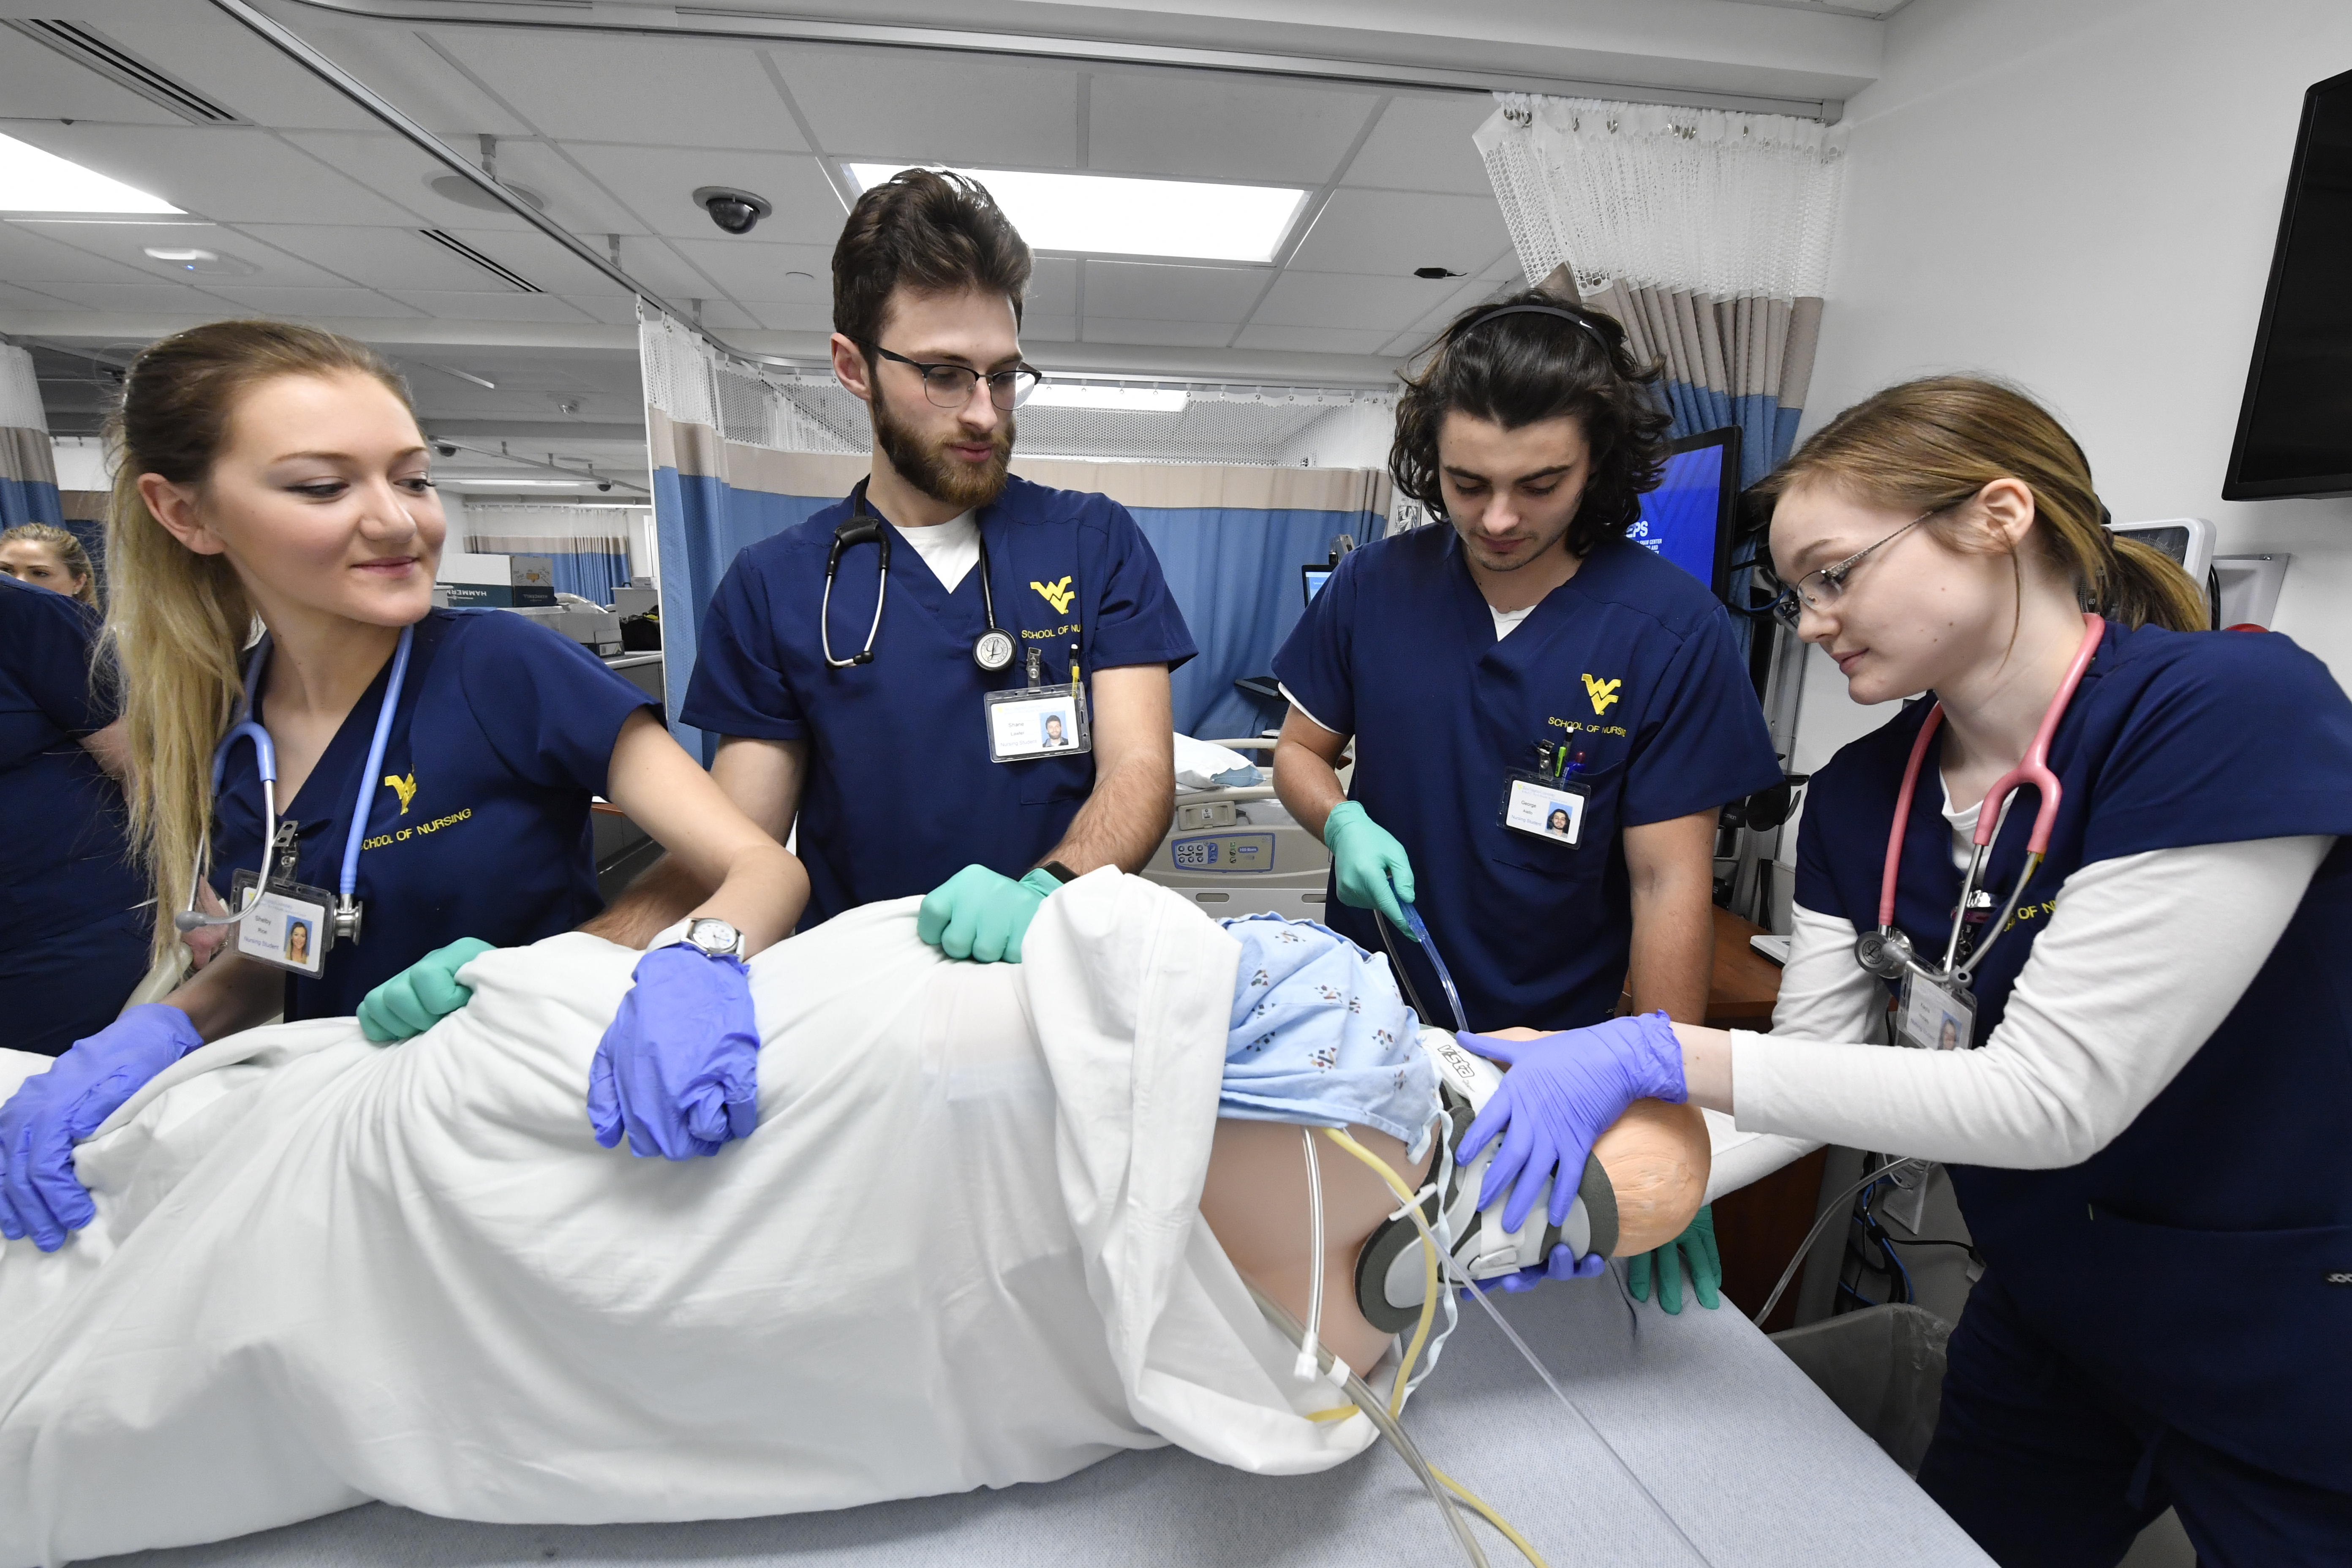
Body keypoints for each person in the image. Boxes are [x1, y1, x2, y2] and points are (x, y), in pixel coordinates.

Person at [0, 878, 1709, 1563]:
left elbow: (1660, 1162)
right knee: (364, 1145)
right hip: (681, 1051)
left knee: (351, 1242)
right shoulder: (1335, 1075)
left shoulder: (1356, 1172)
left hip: (769, 1122)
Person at [1449, 377, 2352, 1565]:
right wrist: (1612, 1194)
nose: (1813, 621)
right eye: (1792, 594)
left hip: (2288, 1323)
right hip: (2048, 1312)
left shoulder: (2227, 712)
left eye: (1836, 574)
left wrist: (1657, 1053)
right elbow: (1814, 1071)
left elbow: (2051, 1099)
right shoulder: (1866, 793)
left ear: (1998, 517)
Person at [0, 321, 813, 1254]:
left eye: (414, 478)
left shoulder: (499, 665)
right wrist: (158, 1029)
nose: (398, 520)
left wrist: (697, 957)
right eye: (323, 485)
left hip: (544, 1123)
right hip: (354, 1138)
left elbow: (760, 867)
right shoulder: (232, 731)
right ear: (187, 514)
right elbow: (293, 941)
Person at [1271, 290, 1780, 1299]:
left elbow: (1665, 881)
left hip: (1554, 1050)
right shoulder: (1375, 586)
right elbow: (1298, 751)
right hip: (1366, 1021)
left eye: (1539, 485)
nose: (1497, 519)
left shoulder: (1669, 629)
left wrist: (1657, 1102)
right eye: (1467, 485)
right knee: (1356, 1284)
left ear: (1596, 467)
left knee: (1524, 1296)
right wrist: (1340, 816)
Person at [587, 169, 1195, 968]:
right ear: (852, 366)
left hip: (1059, 971)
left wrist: (1049, 889)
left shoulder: (1091, 540)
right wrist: (548, 968)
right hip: (863, 998)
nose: (983, 411)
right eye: (943, 374)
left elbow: (1140, 768)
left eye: (1004, 375)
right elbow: (734, 846)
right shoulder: (775, 586)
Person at [0, 568, 148, 1054]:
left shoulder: (27, 616)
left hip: (66, 937)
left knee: (78, 1111)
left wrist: (193, 901)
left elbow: (148, 774)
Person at [0, 522, 98, 604]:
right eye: (5, 570)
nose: (18, 582)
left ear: (78, 583)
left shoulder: (90, 627)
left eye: (40, 573)